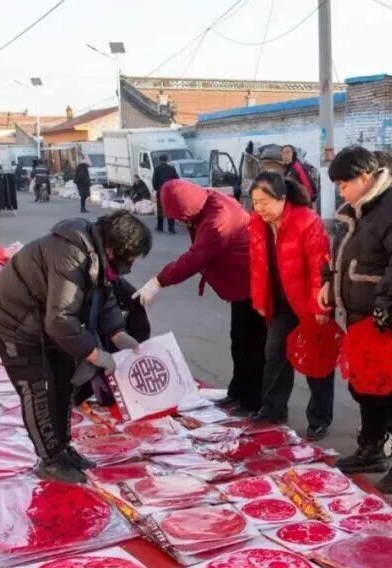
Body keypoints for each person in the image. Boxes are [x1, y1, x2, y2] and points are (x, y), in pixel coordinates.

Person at [0, 210, 152, 483]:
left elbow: (104, 296)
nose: (129, 267)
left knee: (63, 382)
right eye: (129, 259)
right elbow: (60, 320)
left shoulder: (98, 256)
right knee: (39, 389)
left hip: (44, 324)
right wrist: (94, 353)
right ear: (113, 249)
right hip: (14, 322)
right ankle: (50, 460)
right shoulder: (71, 255)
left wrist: (117, 332)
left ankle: (63, 448)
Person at [320, 145, 392, 494]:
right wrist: (327, 280)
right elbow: (338, 253)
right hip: (359, 315)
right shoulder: (356, 209)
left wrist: (386, 302)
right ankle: (371, 447)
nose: (340, 191)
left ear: (365, 177)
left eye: (343, 184)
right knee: (365, 385)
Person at [134, 179, 265, 412]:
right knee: (239, 340)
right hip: (241, 285)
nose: (179, 222)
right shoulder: (207, 201)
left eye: (180, 217)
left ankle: (254, 401)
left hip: (253, 284)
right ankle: (238, 392)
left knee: (252, 345)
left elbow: (196, 257)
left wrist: (158, 281)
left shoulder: (218, 220)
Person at [248, 171, 335, 441]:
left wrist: (321, 308)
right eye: (255, 202)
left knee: (315, 360)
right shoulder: (257, 224)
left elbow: (320, 267)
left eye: (264, 201)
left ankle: (319, 418)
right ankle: (272, 410)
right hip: (280, 301)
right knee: (275, 354)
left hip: (309, 301)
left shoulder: (306, 221)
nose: (259, 208)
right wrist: (259, 300)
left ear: (282, 199)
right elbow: (257, 266)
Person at [152, 154, 179, 233]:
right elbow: (177, 180)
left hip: (161, 190)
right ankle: (171, 228)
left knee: (160, 209)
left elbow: (154, 181)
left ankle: (160, 227)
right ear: (167, 159)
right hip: (170, 191)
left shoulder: (157, 169)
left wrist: (157, 189)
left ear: (160, 160)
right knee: (170, 208)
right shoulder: (172, 168)